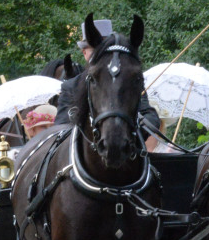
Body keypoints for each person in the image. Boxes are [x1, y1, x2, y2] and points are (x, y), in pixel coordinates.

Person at [54, 18, 159, 151]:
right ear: (84, 52)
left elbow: (150, 115)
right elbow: (61, 128)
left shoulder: (130, 81)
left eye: (105, 48)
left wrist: (134, 131)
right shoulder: (70, 87)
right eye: (96, 49)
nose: (102, 54)